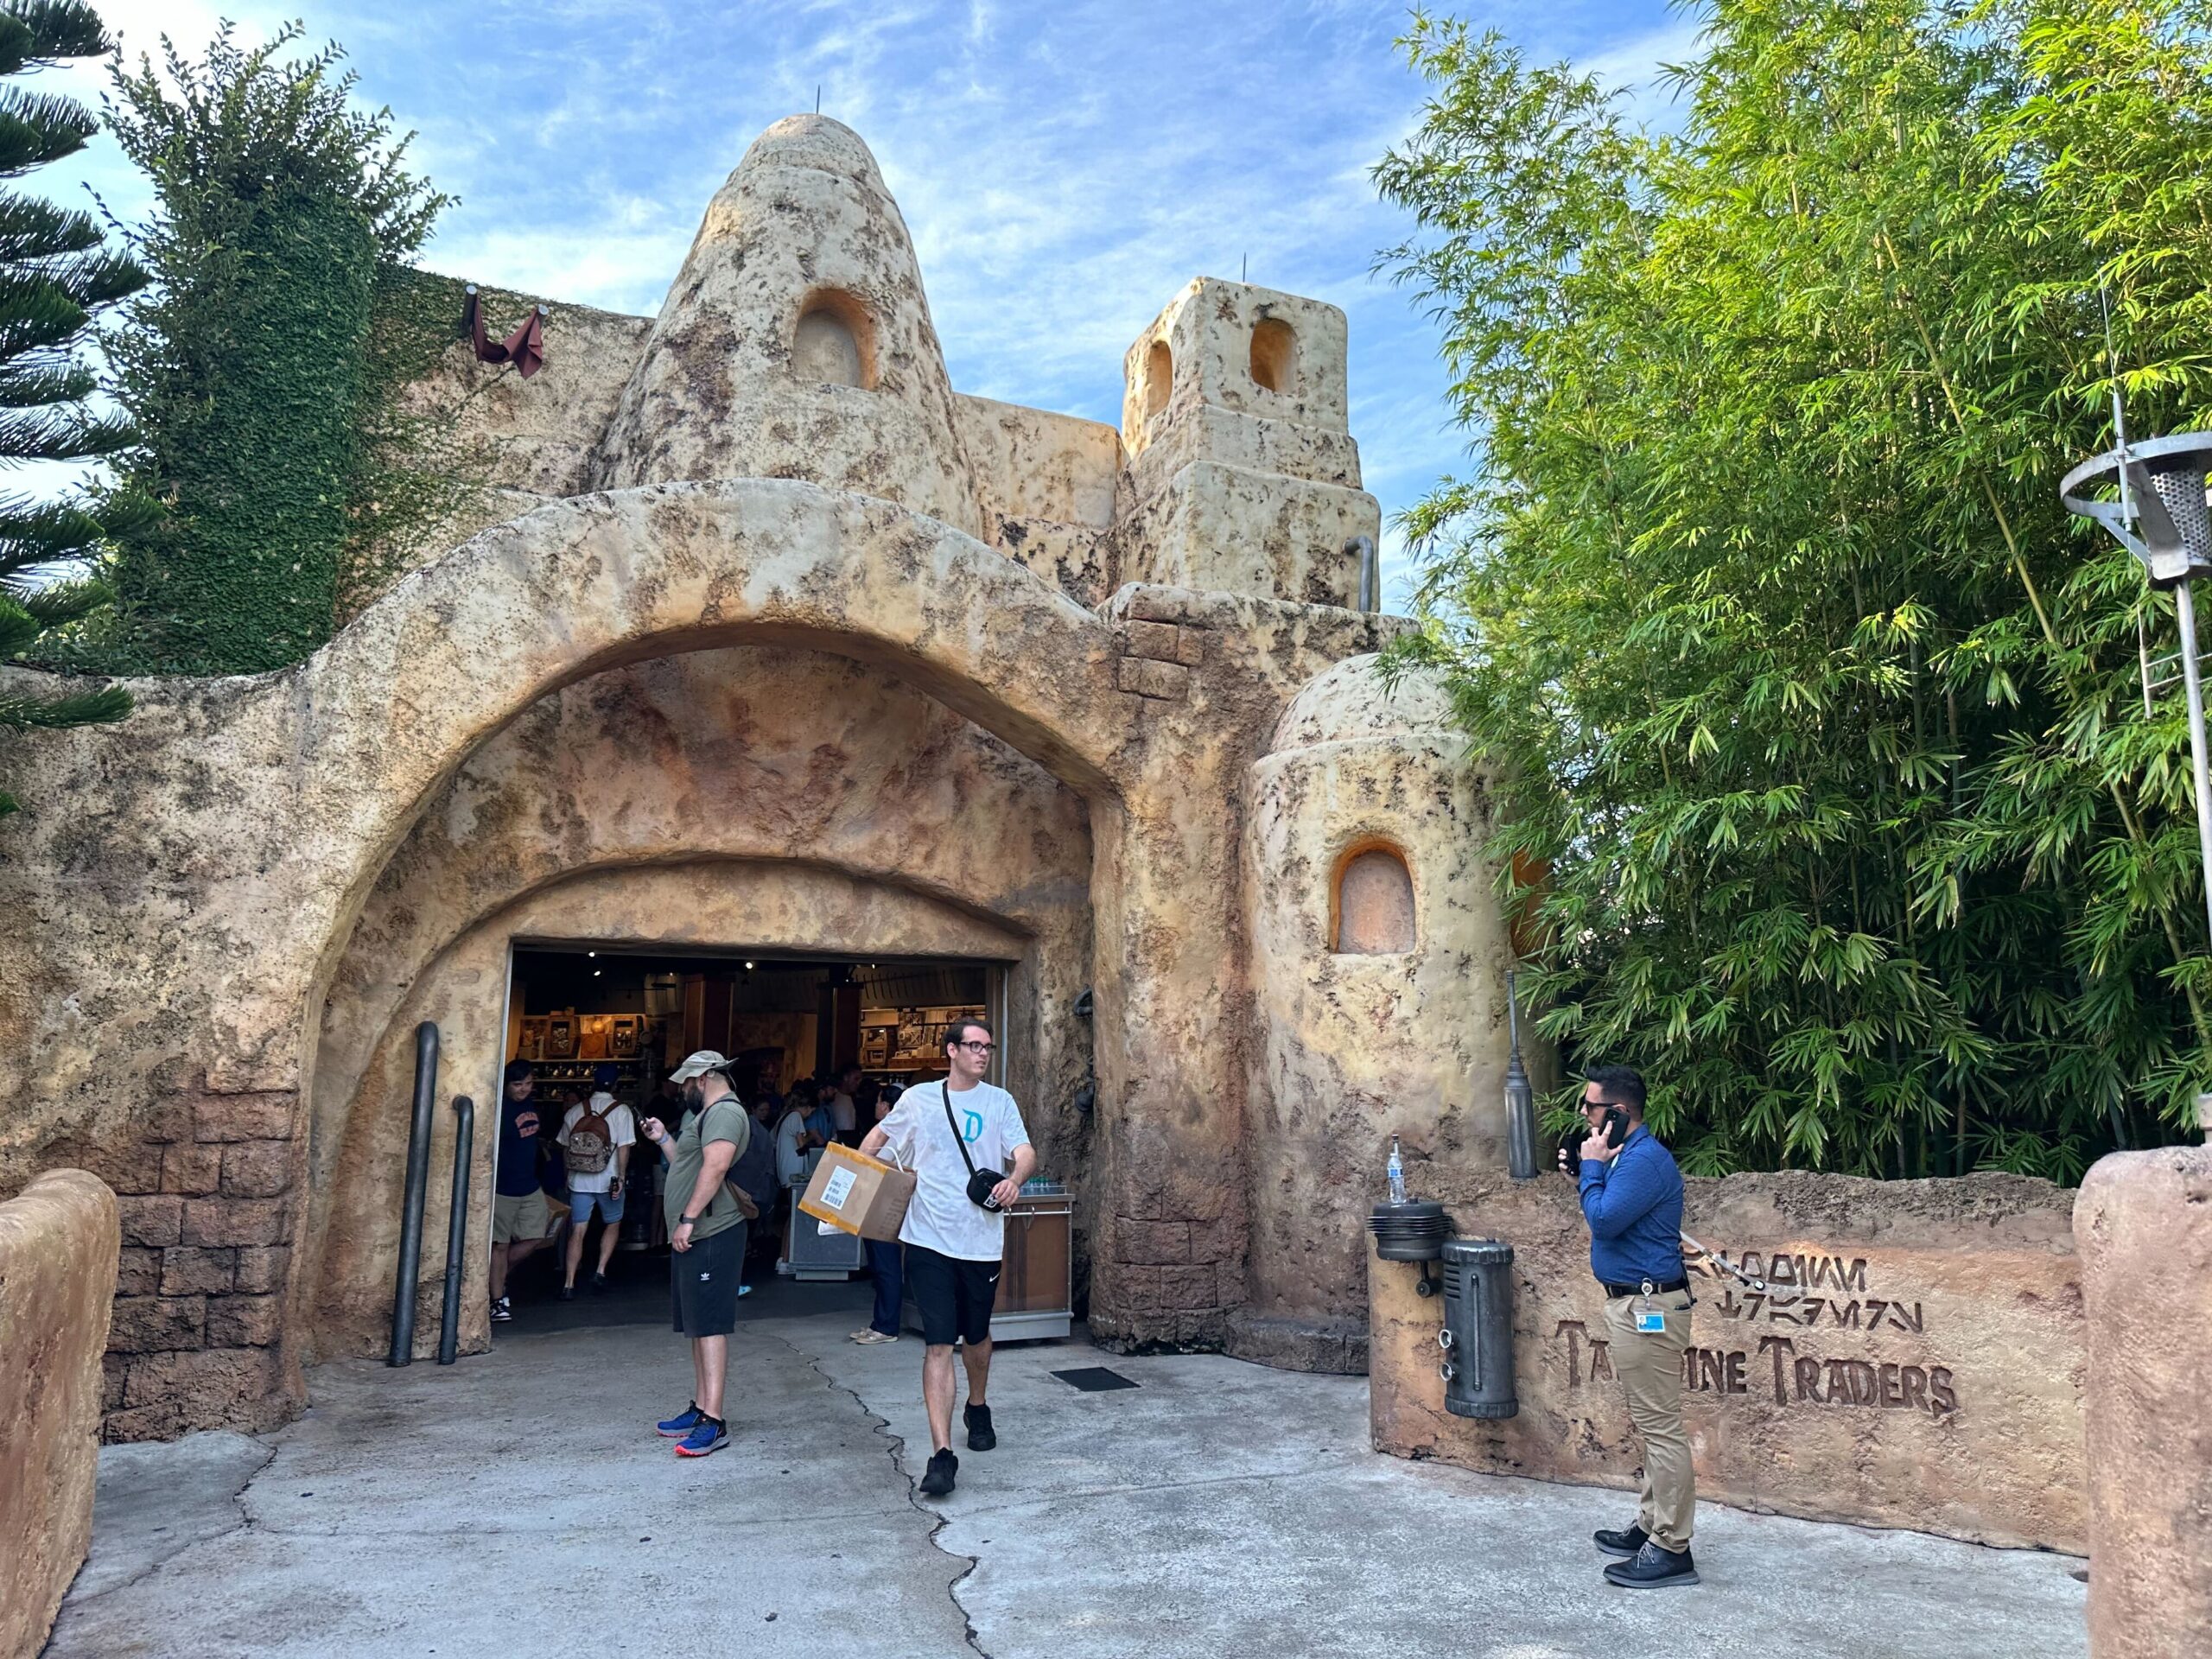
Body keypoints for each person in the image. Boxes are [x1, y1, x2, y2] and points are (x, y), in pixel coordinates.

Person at [861, 1021, 1033, 1497]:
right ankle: (941, 1455)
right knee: (938, 1342)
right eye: (974, 1046)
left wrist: (1015, 1178)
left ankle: (977, 1405)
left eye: (987, 1047)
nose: (983, 1054)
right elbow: (879, 1136)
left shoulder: (999, 1101)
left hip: (979, 1241)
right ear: (952, 1051)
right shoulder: (919, 1099)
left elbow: (1025, 1151)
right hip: (928, 1239)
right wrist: (856, 1176)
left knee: (975, 1337)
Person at [1560, 1063, 1698, 1589]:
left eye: (1591, 1107)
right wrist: (1585, 1174)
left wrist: (1592, 1170)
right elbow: (1608, 1210)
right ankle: (1651, 1525)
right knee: (1651, 1423)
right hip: (1635, 1306)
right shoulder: (1628, 1158)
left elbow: (1605, 1220)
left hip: (1648, 1310)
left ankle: (1672, 1547)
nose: (1584, 1115)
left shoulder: (1643, 1161)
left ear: (1618, 1113)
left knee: (1662, 1429)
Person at [643, 1051, 752, 1459]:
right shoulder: (705, 1115)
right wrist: (664, 1140)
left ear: (704, 1077)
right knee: (697, 1323)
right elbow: (690, 1165)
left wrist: (688, 1219)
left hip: (711, 1231)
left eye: (687, 1082)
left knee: (710, 1325)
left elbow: (716, 1167)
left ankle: (714, 1420)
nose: (682, 1089)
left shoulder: (724, 1113)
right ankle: (702, 1407)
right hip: (699, 1231)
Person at [556, 1064, 637, 1299]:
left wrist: (567, 1177)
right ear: (615, 1085)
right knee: (613, 1222)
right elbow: (624, 1149)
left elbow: (564, 1149)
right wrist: (621, 1177)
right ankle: (600, 1270)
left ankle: (568, 1283)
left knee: (578, 1230)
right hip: (608, 1180)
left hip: (579, 1180)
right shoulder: (621, 1111)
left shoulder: (575, 1111)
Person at [490, 1058, 556, 1322]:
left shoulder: (529, 1104)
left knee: (537, 1236)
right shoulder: (499, 1110)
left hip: (529, 1185)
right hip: (503, 1187)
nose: (524, 1089)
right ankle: (497, 1301)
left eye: (528, 1083)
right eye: (518, 1084)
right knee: (500, 1246)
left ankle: (498, 1276)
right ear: (506, 1084)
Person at [850, 1078, 903, 1345]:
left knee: (886, 1265)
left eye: (878, 1102)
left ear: (886, 1106)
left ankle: (886, 1326)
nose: (875, 1106)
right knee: (880, 1264)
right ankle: (879, 1322)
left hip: (885, 1204)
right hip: (880, 1202)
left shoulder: (892, 1133)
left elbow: (870, 1161)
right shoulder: (893, 1131)